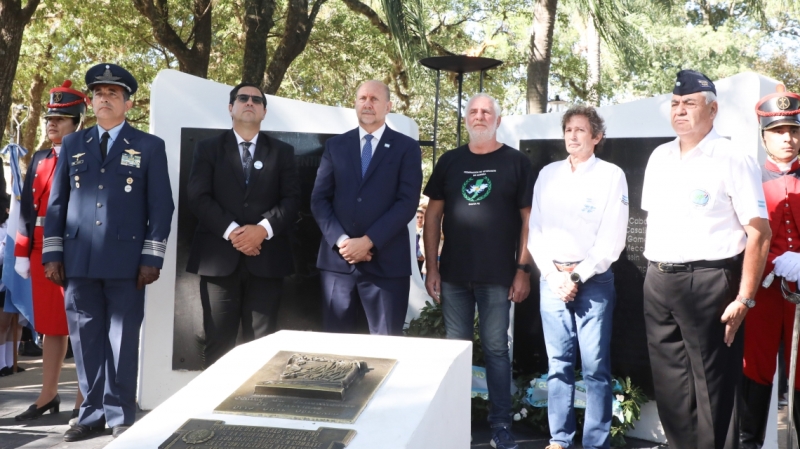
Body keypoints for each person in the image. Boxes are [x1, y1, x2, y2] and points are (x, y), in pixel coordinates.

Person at [42, 63, 175, 441]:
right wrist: (52, 254)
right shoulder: (73, 144)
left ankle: (120, 414)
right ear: (91, 102)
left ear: (128, 104)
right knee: (85, 341)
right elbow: (56, 204)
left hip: (126, 262)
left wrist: (152, 257)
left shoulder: (149, 146)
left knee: (122, 339)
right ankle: (90, 413)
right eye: (99, 93)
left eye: (113, 93)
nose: (104, 98)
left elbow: (161, 207)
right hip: (78, 260)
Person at [641, 70, 771, 449]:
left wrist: (745, 298)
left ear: (713, 110)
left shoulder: (732, 159)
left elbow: (759, 232)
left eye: (690, 103)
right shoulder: (659, 156)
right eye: (675, 103)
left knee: (712, 389)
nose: (680, 110)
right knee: (670, 389)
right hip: (658, 280)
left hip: (708, 281)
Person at [423, 93, 534, 449]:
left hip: (498, 275)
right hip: (453, 275)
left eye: (487, 112)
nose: (479, 116)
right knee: (456, 350)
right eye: (473, 111)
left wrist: (522, 269)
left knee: (497, 349)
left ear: (498, 120)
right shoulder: (450, 161)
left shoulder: (516, 162)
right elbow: (433, 216)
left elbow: (529, 221)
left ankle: (501, 425)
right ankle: (455, 423)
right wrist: (431, 266)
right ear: (466, 119)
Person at [528, 105, 628, 449]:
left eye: (580, 130)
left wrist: (576, 277)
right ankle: (560, 439)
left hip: (592, 282)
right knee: (558, 364)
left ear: (596, 137)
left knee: (595, 367)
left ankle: (595, 443)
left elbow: (612, 239)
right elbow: (535, 231)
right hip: (552, 280)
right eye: (568, 129)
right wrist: (552, 275)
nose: (572, 135)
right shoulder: (548, 174)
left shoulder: (611, 175)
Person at [186, 82, 300, 368]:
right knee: (218, 341)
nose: (250, 102)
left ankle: (255, 398)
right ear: (231, 108)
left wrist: (262, 230)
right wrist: (234, 233)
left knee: (262, 344)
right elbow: (198, 197)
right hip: (218, 260)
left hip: (267, 261)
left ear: (264, 112)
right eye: (243, 98)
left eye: (256, 100)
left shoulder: (282, 152)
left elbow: (292, 199)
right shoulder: (208, 149)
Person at [310, 80, 422, 335]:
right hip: (338, 264)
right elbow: (319, 199)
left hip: (386, 265)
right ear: (355, 104)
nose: (368, 104)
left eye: (374, 99)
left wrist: (368, 242)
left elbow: (407, 203)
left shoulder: (406, 148)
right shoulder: (335, 146)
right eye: (362, 98)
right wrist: (343, 242)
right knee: (336, 346)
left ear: (388, 107)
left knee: (384, 346)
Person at [13, 80, 88, 422]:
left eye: (61, 118)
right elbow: (27, 210)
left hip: (76, 247)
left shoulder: (88, 155)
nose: (52, 124)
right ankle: (47, 395)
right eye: (49, 118)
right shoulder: (41, 158)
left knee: (81, 326)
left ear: (78, 121)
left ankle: (85, 399)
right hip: (41, 250)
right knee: (50, 326)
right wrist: (22, 251)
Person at [739, 86, 800, 448]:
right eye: (778, 131)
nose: (788, 138)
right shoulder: (750, 179)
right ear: (764, 138)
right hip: (761, 294)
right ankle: (749, 443)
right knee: (755, 368)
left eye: (793, 130)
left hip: (799, 295)